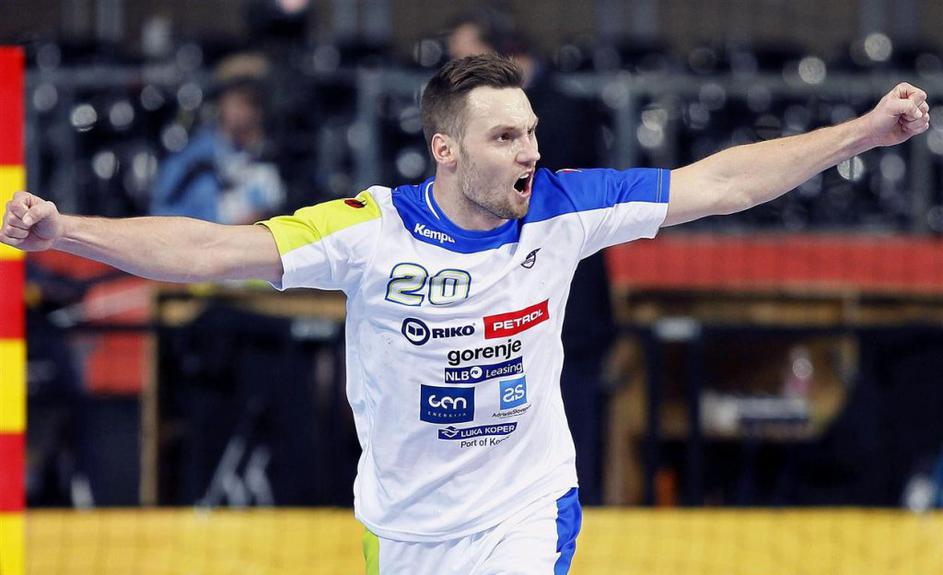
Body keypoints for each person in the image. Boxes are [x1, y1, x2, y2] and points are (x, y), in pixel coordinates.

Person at [2, 54, 930, 573]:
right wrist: (66, 232)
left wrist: (860, 132)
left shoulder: (563, 206)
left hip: (522, 514)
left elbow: (720, 183)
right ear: (446, 151)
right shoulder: (369, 230)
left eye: (531, 132)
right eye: (505, 136)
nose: (530, 150)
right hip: (403, 529)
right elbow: (210, 250)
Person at [447, 9, 613, 504]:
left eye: (467, 62)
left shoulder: (563, 114)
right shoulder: (478, 123)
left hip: (566, 310)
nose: (457, 77)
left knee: (572, 442)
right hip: (505, 314)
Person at [150, 53, 285, 225]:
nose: (246, 112)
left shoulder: (272, 157)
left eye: (254, 103)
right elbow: (159, 216)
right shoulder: (194, 159)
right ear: (222, 102)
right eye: (238, 102)